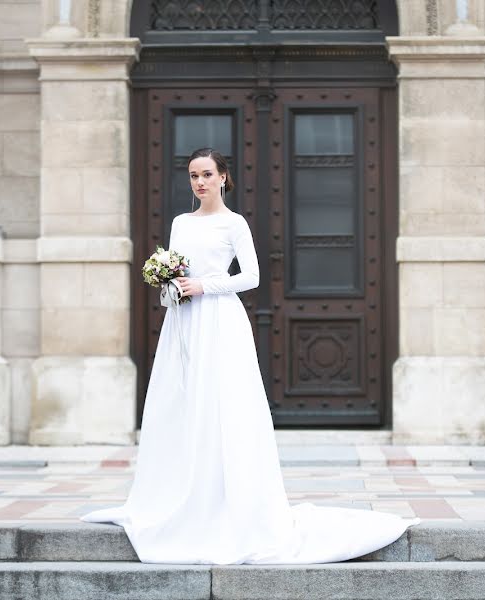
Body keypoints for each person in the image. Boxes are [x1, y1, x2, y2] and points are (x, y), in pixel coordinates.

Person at [80, 147, 418, 564]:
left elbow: (253, 276)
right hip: (184, 323)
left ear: (223, 177)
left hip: (220, 320)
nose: (199, 182)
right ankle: (177, 494)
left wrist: (206, 286)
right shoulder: (180, 223)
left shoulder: (233, 223)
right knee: (181, 403)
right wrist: (171, 286)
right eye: (192, 175)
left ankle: (230, 500)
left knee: (224, 405)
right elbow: (178, 272)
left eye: (206, 174)